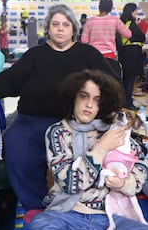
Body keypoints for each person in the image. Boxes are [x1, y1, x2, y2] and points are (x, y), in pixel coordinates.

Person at [0, 4, 121, 224]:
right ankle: (35, 205)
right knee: (14, 142)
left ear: (73, 29)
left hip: (77, 124)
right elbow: (11, 80)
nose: (60, 29)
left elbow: (109, 83)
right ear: (48, 28)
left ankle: (80, 205)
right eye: (55, 24)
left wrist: (117, 108)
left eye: (65, 25)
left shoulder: (87, 54)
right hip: (32, 122)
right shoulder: (35, 55)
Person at [29, 69, 148, 230]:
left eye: (97, 99)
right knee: (41, 224)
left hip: (110, 214)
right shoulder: (58, 132)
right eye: (84, 96)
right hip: (67, 212)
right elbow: (70, 184)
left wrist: (123, 183)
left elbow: (139, 170)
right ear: (73, 97)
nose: (90, 104)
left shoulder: (115, 129)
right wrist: (102, 148)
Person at [117, 3, 146, 110]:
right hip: (132, 54)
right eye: (135, 11)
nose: (136, 13)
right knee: (130, 79)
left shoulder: (122, 23)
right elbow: (141, 37)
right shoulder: (132, 24)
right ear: (131, 12)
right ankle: (128, 104)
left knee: (125, 79)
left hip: (124, 53)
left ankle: (124, 102)